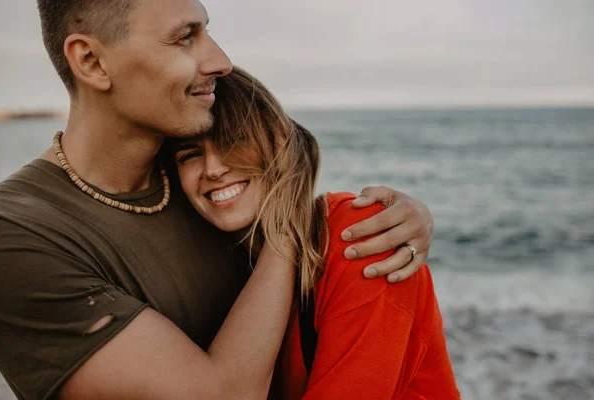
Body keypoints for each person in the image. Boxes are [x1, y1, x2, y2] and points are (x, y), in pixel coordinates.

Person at [0, 1, 435, 399]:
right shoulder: (13, 234)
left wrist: (393, 218)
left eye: (206, 31)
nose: (220, 60)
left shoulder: (200, 185)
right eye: (185, 37)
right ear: (91, 61)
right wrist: (290, 218)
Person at [171, 66, 459, 399]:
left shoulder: (361, 239)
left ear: (278, 142)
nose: (214, 169)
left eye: (233, 141)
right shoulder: (221, 255)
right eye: (189, 155)